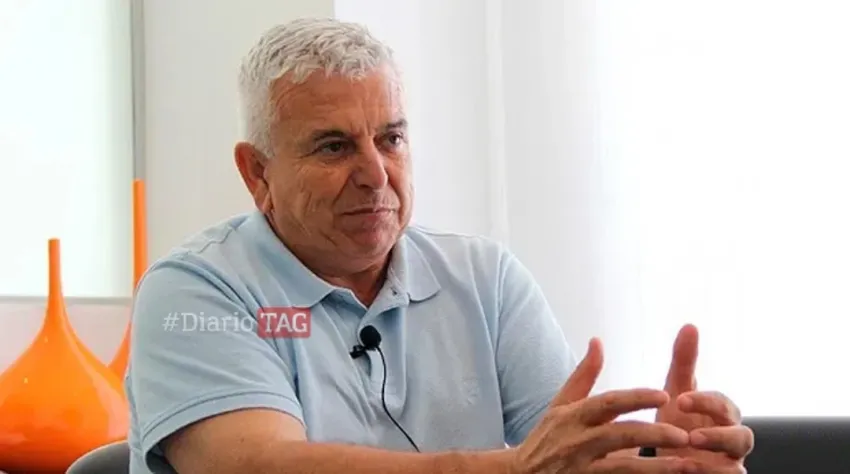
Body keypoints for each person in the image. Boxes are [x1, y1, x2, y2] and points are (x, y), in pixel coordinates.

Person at [126, 17, 753, 474]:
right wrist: (510, 470)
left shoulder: (485, 279)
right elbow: (260, 466)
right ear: (257, 172)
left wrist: (666, 459)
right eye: (334, 147)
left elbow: (568, 458)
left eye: (391, 139)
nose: (376, 174)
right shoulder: (194, 293)